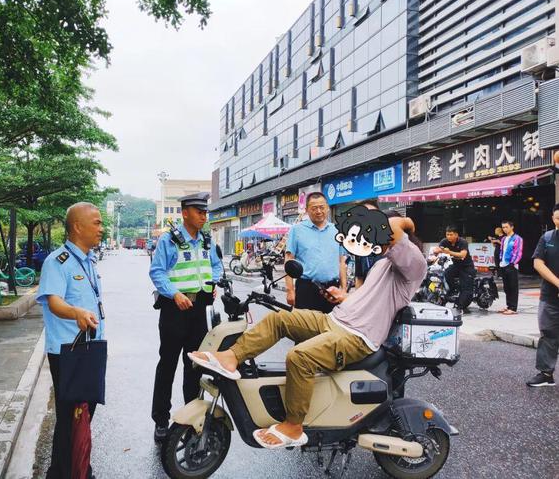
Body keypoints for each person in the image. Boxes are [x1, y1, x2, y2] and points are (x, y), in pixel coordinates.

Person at [189, 212, 425, 448]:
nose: (378, 242)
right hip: (334, 320)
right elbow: (369, 296)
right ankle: (231, 357)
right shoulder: (384, 263)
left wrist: (408, 221)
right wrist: (344, 297)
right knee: (279, 319)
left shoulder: (414, 263)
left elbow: (393, 228)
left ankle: (293, 426)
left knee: (300, 356)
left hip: (357, 337)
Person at [36, 202, 105, 479]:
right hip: (68, 353)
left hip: (89, 349)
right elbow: (54, 302)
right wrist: (75, 311)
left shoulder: (88, 260)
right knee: (69, 418)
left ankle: (78, 469)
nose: (101, 228)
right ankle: (62, 473)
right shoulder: (58, 261)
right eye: (97, 223)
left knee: (83, 415)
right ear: (78, 226)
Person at [149, 192, 223, 441]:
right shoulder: (169, 240)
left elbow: (216, 265)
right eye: (199, 211)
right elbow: (157, 272)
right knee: (167, 365)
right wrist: (174, 293)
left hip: (199, 310)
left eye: (205, 212)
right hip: (175, 309)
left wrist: (213, 281)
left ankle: (191, 416)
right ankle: (161, 420)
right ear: (185, 213)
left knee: (194, 366)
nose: (204, 216)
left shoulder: (206, 239)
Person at [285, 192, 347, 312]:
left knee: (331, 326)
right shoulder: (296, 230)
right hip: (306, 288)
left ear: (327, 208)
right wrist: (290, 290)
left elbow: (341, 262)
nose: (319, 211)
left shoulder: (337, 230)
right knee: (304, 328)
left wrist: (343, 289)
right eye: (314, 208)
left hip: (332, 289)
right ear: (307, 210)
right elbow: (289, 261)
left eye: (322, 207)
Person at [526, 204, 559, 387]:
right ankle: (546, 374)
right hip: (550, 297)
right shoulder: (547, 238)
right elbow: (538, 264)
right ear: (553, 219)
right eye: (558, 218)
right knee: (548, 334)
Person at [433, 226, 476, 314]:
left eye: (451, 234)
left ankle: (460, 307)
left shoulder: (462, 242)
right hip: (455, 265)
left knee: (466, 288)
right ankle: (452, 291)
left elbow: (462, 255)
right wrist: (438, 251)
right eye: (447, 234)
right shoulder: (444, 241)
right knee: (447, 273)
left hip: (467, 266)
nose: (448, 236)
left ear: (456, 235)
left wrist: (449, 252)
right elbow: (437, 250)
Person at [498, 220, 523, 315]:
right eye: (503, 227)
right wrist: (501, 260)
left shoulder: (517, 238)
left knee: (513, 287)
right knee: (506, 287)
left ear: (512, 227)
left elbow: (518, 252)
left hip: (512, 265)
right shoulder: (504, 239)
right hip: (503, 264)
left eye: (506, 227)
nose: (504, 229)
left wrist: (513, 263)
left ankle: (513, 307)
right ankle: (508, 305)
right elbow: (501, 250)